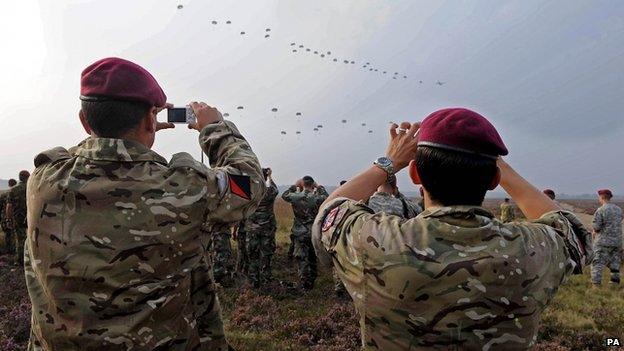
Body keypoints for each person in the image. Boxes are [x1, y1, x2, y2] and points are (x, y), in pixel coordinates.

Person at [24, 57, 265, 350]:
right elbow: (248, 183)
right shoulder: (184, 189)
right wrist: (215, 128)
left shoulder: (43, 181)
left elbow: (89, 156)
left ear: (84, 121)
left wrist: (137, 131)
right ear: (152, 118)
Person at [313, 108, 589, 350]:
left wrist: (390, 162)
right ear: (494, 181)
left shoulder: (376, 241)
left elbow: (331, 210)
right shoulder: (532, 249)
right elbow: (572, 232)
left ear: (415, 175)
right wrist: (497, 165)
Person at [282, 176, 328, 290]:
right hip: (313, 232)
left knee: (302, 258)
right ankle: (312, 278)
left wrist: (295, 185)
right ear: (312, 184)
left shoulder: (296, 197)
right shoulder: (317, 198)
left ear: (303, 184)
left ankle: (304, 282)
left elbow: (284, 195)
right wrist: (319, 187)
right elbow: (327, 197)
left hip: (299, 232)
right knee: (312, 255)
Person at [245, 167, 279, 288]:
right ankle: (266, 281)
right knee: (266, 255)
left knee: (253, 256)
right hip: (266, 229)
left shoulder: (248, 191)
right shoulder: (269, 191)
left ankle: (254, 282)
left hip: (252, 229)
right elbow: (275, 189)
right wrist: (270, 176)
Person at [591, 189, 623, 286]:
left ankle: (596, 285)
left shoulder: (601, 210)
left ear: (601, 197)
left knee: (597, 263)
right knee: (615, 264)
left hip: (603, 242)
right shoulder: (618, 209)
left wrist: (594, 232)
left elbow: (596, 227)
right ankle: (614, 284)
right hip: (617, 242)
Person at [5, 171, 29, 266]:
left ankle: (20, 260)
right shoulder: (32, 187)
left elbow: (9, 207)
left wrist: (8, 219)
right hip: (32, 217)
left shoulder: (13, 190)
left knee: (20, 239)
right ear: (28, 177)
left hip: (18, 218)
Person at [0, 178, 17, 256]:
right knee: (15, 235)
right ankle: (15, 252)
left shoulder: (4, 194)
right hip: (16, 217)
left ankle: (8, 252)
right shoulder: (16, 192)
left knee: (7, 235)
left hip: (5, 217)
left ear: (9, 184)